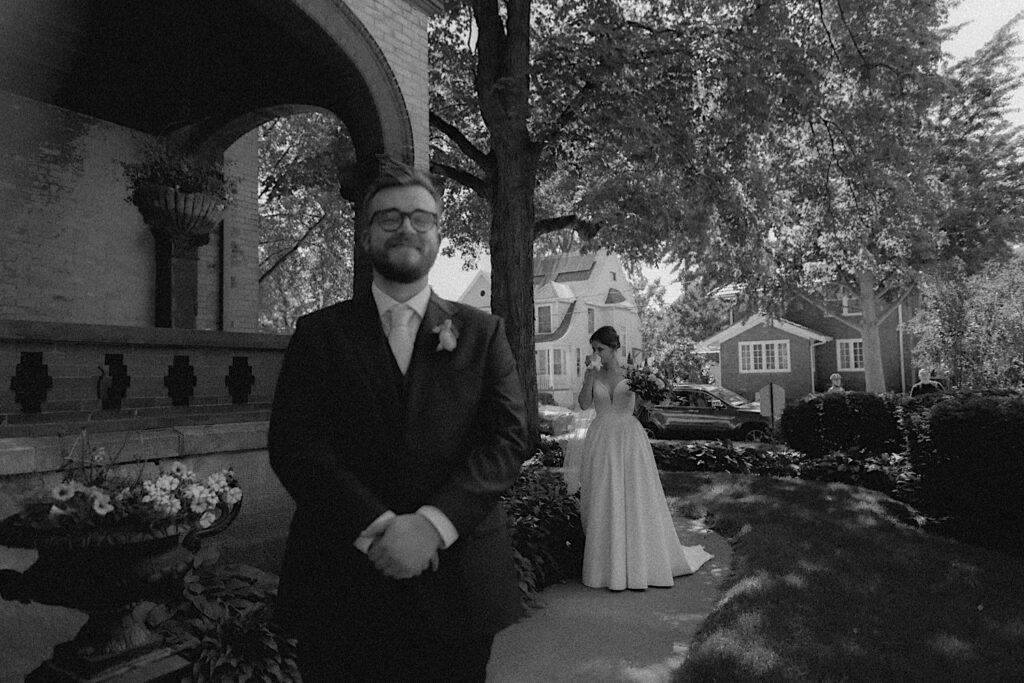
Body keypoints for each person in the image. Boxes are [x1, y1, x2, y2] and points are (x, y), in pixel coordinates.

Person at [268, 159, 530, 682]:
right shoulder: (318, 336)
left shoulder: (482, 333)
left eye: (420, 217)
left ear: (437, 234)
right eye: (388, 218)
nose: (405, 227)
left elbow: (508, 438)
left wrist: (432, 527)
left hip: (458, 588)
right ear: (366, 236)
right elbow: (296, 446)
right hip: (341, 584)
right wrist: (382, 528)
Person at [576, 325, 712, 591]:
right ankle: (607, 567)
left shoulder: (632, 374)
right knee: (604, 495)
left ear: (614, 348)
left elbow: (646, 406)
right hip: (602, 438)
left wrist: (652, 394)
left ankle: (638, 563)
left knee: (634, 494)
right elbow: (583, 405)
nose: (596, 354)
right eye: (593, 349)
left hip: (629, 438)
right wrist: (589, 377)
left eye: (600, 349)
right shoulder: (592, 374)